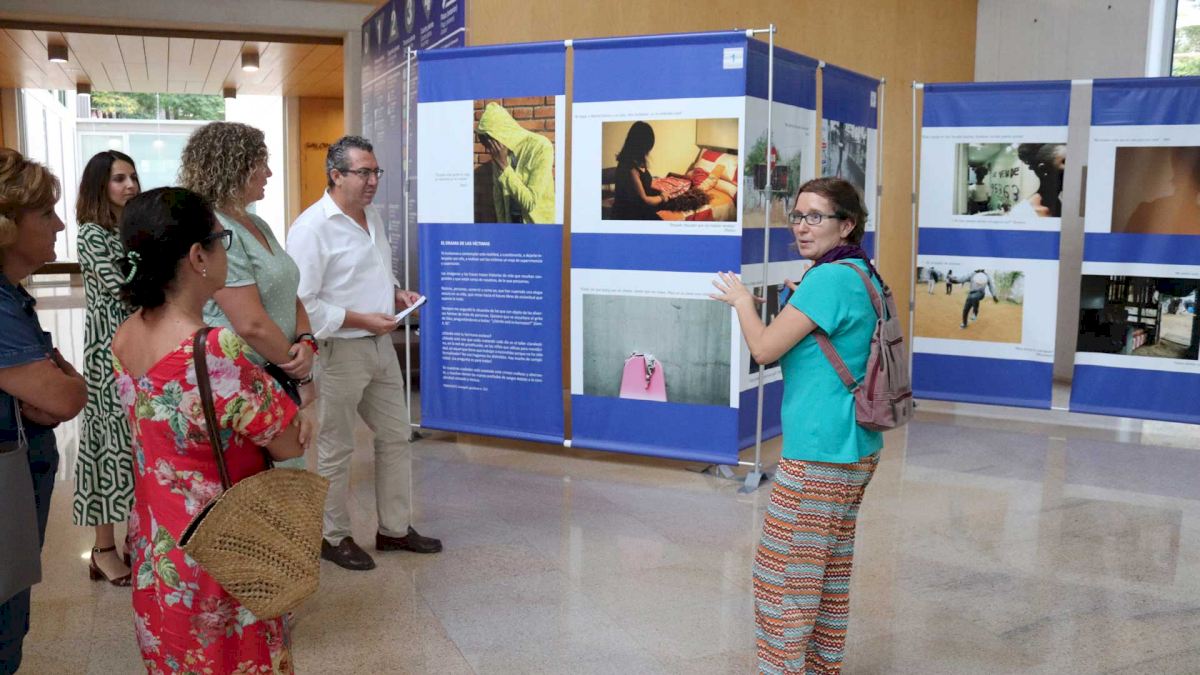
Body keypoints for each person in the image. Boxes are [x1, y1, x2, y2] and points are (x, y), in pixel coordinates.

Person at [111, 187, 310, 673]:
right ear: (198, 257)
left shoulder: (126, 333)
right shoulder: (215, 350)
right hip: (222, 552)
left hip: (158, 548)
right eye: (222, 240)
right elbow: (288, 443)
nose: (226, 251)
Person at [710, 177, 883, 675]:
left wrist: (743, 302)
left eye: (816, 217)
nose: (803, 227)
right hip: (857, 444)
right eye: (798, 216)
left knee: (782, 577)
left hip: (819, 451)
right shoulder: (859, 271)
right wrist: (802, 299)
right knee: (825, 575)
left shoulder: (827, 281)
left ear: (846, 225)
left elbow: (764, 348)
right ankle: (821, 668)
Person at [287, 135, 441, 571]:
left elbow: (373, 271)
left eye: (376, 172)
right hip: (339, 350)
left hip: (380, 347)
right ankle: (332, 536)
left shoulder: (371, 216)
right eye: (363, 172)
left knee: (395, 435)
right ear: (336, 175)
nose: (373, 181)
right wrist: (361, 319)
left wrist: (394, 293)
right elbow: (304, 303)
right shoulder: (312, 228)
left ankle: (394, 529)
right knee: (336, 447)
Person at [180, 122, 317, 470]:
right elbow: (249, 323)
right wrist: (300, 375)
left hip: (279, 367)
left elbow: (288, 290)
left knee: (288, 475)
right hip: (246, 377)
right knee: (265, 481)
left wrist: (306, 340)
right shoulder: (217, 228)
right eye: (261, 164)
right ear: (234, 167)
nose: (269, 173)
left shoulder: (257, 224)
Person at [0, 148, 88, 673]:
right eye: (46, 213)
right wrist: (59, 387)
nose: (58, 224)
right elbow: (65, 397)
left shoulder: (13, 296)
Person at [73, 150, 140, 587]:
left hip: (139, 347)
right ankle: (103, 549)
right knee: (108, 447)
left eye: (132, 177)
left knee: (136, 445)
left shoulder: (131, 230)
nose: (129, 185)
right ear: (101, 185)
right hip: (108, 353)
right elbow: (124, 288)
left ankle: (136, 538)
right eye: (119, 178)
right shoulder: (91, 234)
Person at [475, 102, 556, 224]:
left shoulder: (541, 147)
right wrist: (502, 226)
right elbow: (498, 196)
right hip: (511, 223)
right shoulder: (499, 153)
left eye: (490, 145)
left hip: (537, 225)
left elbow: (530, 203)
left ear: (501, 135)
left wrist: (504, 166)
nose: (489, 150)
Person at [610, 121, 667, 220]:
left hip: (639, 207)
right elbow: (644, 200)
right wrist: (662, 197)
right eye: (647, 146)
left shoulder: (638, 161)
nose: (648, 150)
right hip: (629, 213)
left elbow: (643, 186)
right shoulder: (629, 167)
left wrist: (658, 192)